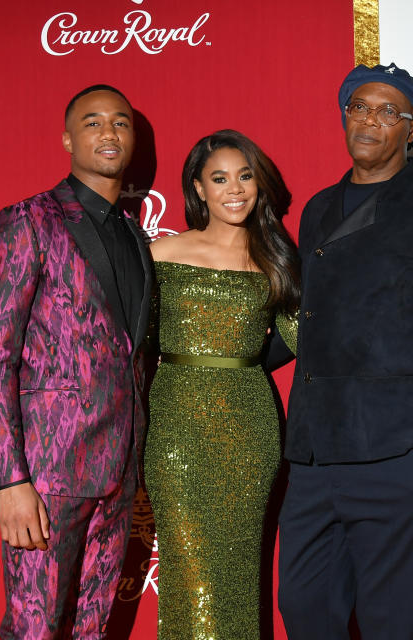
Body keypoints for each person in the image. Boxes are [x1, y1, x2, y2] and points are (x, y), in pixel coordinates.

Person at [276, 63, 413, 640]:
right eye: (359, 107)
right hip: (315, 454)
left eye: (389, 111)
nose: (370, 120)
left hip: (398, 453)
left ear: (412, 130)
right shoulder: (317, 208)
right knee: (304, 606)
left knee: (395, 624)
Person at [0, 84, 153, 639]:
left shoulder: (135, 236)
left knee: (92, 628)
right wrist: (10, 479)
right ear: (68, 138)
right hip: (47, 474)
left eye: (120, 123)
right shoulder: (28, 221)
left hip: (119, 471)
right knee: (35, 627)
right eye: (93, 122)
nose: (108, 133)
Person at [144, 129, 299, 639]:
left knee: (238, 577)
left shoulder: (275, 259)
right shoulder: (161, 256)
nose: (235, 188)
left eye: (245, 176)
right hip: (175, 430)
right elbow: (131, 349)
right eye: (219, 178)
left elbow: (306, 340)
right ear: (198, 189)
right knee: (194, 582)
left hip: (249, 431)